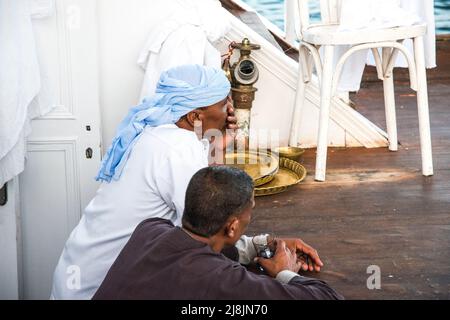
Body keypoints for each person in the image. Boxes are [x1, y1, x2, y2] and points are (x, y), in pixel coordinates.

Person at [51, 64, 322, 300]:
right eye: (222, 103)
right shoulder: (177, 148)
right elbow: (210, 224)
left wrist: (217, 144)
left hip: (81, 276)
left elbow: (208, 208)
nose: (230, 110)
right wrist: (274, 261)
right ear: (195, 116)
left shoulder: (157, 133)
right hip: (99, 288)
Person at [93, 166, 343, 300]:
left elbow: (198, 248)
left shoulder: (150, 229)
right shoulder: (222, 280)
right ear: (232, 226)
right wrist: (284, 272)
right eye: (250, 210)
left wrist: (260, 245)